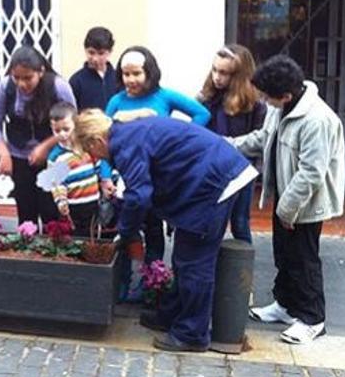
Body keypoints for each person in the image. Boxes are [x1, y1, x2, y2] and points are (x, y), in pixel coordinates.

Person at [75, 109, 256, 352]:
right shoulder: (127, 133)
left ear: (97, 141)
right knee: (185, 256)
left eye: (90, 152)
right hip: (216, 173)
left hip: (214, 182)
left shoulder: (124, 143)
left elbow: (139, 195)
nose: (95, 158)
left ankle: (192, 333)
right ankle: (172, 316)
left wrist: (124, 233)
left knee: (195, 261)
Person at [230, 55, 345, 345]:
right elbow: (262, 138)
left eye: (268, 97)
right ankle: (284, 305)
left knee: (304, 260)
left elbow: (311, 173)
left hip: (307, 201)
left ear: (287, 95)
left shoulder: (317, 120)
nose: (265, 102)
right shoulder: (280, 107)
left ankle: (312, 319)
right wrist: (228, 144)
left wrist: (287, 210)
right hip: (287, 193)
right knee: (284, 253)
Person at [105, 46, 211, 296]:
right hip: (124, 180)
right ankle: (121, 284)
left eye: (136, 73)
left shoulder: (164, 97)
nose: (130, 80)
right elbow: (104, 139)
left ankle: (151, 284)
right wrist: (104, 174)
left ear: (149, 72)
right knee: (125, 232)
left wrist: (177, 139)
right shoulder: (116, 101)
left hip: (155, 179)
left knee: (154, 230)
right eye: (125, 74)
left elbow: (201, 113)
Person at [0, 45, 77, 225]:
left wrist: (46, 146)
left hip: (53, 159)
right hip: (18, 159)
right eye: (17, 78)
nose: (22, 84)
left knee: (52, 212)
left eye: (28, 78)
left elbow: (74, 124)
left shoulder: (58, 87)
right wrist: (3, 153)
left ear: (41, 72)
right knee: (24, 215)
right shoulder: (5, 87)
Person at [197, 44, 267, 243]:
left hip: (242, 170)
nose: (217, 77)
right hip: (212, 167)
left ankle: (242, 273)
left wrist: (231, 144)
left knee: (240, 222)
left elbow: (262, 137)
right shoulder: (205, 98)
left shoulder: (255, 103)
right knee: (211, 222)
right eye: (214, 70)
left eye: (224, 73)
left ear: (238, 75)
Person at [46, 101, 114, 238]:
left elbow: (100, 163)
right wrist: (61, 201)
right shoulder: (55, 156)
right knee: (76, 237)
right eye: (57, 131)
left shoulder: (86, 147)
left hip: (93, 200)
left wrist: (106, 180)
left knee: (93, 234)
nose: (62, 135)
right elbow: (56, 183)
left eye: (66, 129)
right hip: (73, 205)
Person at [68, 26, 121, 111]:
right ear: (85, 50)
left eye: (101, 53)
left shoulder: (118, 78)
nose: (95, 58)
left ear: (110, 52)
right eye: (91, 53)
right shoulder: (76, 81)